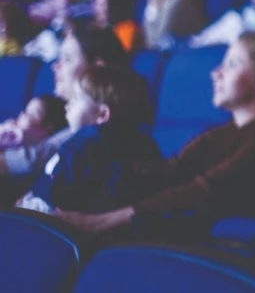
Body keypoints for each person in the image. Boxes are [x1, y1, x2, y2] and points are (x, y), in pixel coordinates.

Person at [53, 32, 255, 238]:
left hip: (235, 252)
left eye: (233, 64)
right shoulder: (220, 134)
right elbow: (168, 173)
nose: (216, 72)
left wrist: (103, 221)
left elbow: (208, 190)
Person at [0, 27, 128, 205]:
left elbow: (35, 157)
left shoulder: (94, 130)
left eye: (67, 58)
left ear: (96, 68)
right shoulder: (61, 113)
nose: (55, 66)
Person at [16, 65, 162, 214]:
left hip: (65, 221)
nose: (68, 105)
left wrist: (30, 197)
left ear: (102, 114)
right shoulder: (146, 144)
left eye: (76, 99)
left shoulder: (80, 145)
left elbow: (53, 190)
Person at [0, 95, 67, 149]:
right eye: (26, 110)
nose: (23, 114)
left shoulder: (24, 135)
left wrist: (9, 127)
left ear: (47, 127)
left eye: (32, 114)